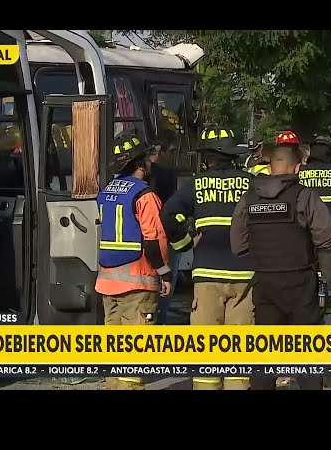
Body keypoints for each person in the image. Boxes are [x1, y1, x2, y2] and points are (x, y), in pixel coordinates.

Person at [230, 144, 331, 391]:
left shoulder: (249, 198)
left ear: (269, 167)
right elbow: (327, 240)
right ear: (298, 167)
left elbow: (238, 245)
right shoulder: (305, 196)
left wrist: (264, 258)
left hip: (265, 284)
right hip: (300, 283)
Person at [161, 126, 254, 390]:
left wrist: (186, 243)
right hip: (245, 276)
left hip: (207, 277)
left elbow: (169, 216)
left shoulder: (196, 185)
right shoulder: (251, 184)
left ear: (208, 158)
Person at [95, 134, 171, 390]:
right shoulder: (145, 195)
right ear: (141, 164)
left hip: (107, 283)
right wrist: (165, 272)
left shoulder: (106, 192)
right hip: (138, 284)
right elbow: (154, 240)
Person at [148, 138, 181, 324]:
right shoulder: (167, 175)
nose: (174, 156)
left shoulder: (137, 175)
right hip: (163, 238)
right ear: (161, 152)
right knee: (166, 285)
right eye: (172, 151)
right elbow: (171, 210)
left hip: (146, 238)